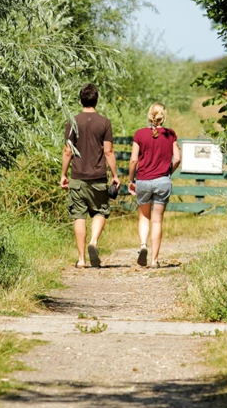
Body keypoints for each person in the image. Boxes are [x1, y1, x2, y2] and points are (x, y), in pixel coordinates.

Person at [60, 83, 120, 268]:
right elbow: (108, 151)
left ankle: (81, 260)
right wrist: (115, 175)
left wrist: (63, 174)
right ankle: (93, 242)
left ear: (80, 100)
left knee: (79, 216)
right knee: (100, 211)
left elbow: (67, 151)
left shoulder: (73, 121)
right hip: (98, 178)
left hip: (77, 177)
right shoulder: (104, 122)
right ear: (97, 100)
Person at [127, 102, 181, 269]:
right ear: (163, 117)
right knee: (157, 222)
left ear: (149, 115)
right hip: (163, 181)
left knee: (144, 216)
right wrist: (167, 172)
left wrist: (130, 180)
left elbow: (134, 160)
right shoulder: (170, 134)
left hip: (143, 180)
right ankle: (154, 261)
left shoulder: (140, 134)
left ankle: (143, 246)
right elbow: (177, 158)